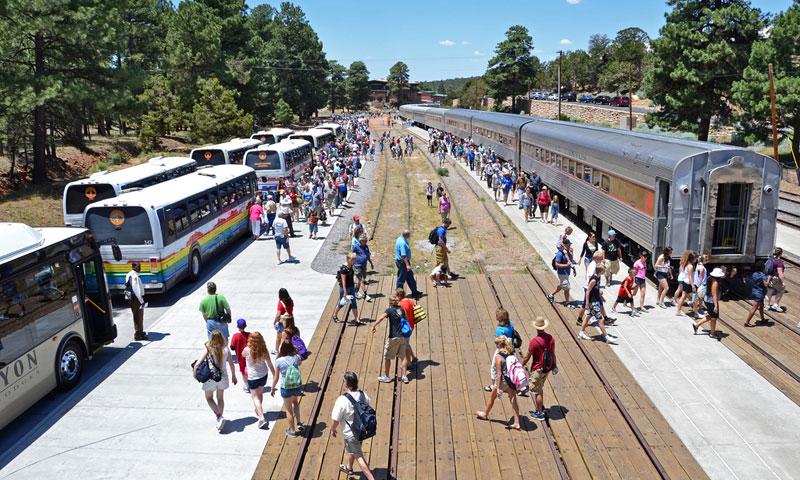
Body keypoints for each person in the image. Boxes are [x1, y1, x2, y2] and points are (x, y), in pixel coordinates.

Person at [331, 372, 376, 480]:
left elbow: (335, 419)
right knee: (355, 449)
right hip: (362, 429)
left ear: (347, 385)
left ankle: (371, 478)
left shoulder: (342, 400)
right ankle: (349, 467)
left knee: (358, 456)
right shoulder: (363, 395)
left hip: (350, 433)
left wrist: (333, 429)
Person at [193, 330, 238, 431]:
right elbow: (231, 364)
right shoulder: (226, 349)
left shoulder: (208, 348)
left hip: (211, 378)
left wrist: (195, 373)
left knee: (209, 398)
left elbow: (197, 364)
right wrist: (234, 376)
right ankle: (220, 419)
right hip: (223, 377)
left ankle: (219, 417)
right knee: (220, 398)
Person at [475, 335, 521, 430]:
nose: (495, 345)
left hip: (503, 380)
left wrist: (498, 386)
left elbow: (499, 374)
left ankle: (485, 414)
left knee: (492, 397)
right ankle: (517, 422)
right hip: (511, 379)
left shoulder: (498, 356)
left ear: (500, 344)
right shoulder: (510, 352)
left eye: (496, 343)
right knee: (513, 399)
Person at [522, 316, 556, 421]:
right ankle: (540, 407)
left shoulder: (534, 342)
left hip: (537, 369)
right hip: (547, 368)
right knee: (540, 386)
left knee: (538, 391)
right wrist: (555, 365)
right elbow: (553, 353)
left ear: (536, 327)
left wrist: (520, 364)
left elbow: (527, 356)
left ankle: (539, 413)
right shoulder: (551, 338)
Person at [372, 294, 410, 384]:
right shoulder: (402, 309)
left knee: (387, 357)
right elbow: (406, 320)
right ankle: (404, 376)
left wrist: (374, 325)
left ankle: (387, 376)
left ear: (390, 302)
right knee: (403, 356)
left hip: (393, 337)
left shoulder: (389, 310)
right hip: (403, 336)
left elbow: (381, 318)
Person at [242, 331, 275, 429]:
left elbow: (242, 355)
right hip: (263, 375)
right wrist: (274, 375)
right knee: (259, 394)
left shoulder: (247, 350)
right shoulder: (264, 349)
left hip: (253, 377)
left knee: (255, 398)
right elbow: (269, 364)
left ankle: (262, 419)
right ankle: (259, 410)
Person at [271, 341, 304, 437]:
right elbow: (300, 362)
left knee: (289, 410)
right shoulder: (296, 358)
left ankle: (292, 431)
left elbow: (276, 377)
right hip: (296, 386)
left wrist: (272, 388)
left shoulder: (279, 361)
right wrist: (296, 352)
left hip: (286, 388)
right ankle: (299, 423)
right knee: (296, 403)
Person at [579, 264, 614, 343]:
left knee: (588, 317)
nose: (604, 271)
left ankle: (581, 333)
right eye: (604, 270)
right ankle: (606, 337)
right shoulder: (594, 279)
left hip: (596, 300)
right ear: (600, 271)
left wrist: (600, 295)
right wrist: (587, 303)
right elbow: (587, 291)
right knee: (600, 320)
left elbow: (596, 289)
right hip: (593, 302)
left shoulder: (598, 277)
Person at [693, 267, 724, 339]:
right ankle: (712, 333)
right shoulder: (715, 283)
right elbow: (714, 295)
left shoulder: (709, 278)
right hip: (711, 302)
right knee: (714, 318)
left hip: (707, 300)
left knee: (711, 315)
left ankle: (696, 325)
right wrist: (716, 306)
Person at [395, 289, 419, 372]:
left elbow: (398, 317)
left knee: (405, 346)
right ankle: (414, 357)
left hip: (405, 328)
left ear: (399, 296)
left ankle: (408, 363)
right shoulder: (410, 300)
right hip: (411, 325)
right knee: (407, 343)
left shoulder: (400, 305)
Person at [333, 253, 360, 323]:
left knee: (354, 302)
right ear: (348, 259)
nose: (354, 261)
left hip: (351, 287)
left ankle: (356, 318)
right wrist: (345, 292)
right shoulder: (343, 269)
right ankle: (335, 315)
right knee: (342, 303)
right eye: (353, 260)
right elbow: (343, 282)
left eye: (354, 260)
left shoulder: (351, 266)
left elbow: (352, 276)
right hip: (345, 288)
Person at [395, 230, 421, 297]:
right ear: (406, 235)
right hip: (403, 263)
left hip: (404, 262)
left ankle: (415, 292)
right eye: (409, 235)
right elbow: (403, 255)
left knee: (410, 277)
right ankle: (399, 296)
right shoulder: (402, 243)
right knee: (401, 280)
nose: (410, 236)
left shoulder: (400, 238)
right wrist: (407, 265)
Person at [125, 263, 147, 341]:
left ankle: (139, 332)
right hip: (136, 299)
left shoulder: (129, 274)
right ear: (135, 268)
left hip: (131, 298)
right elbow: (136, 289)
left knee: (135, 315)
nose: (140, 268)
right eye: (139, 267)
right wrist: (141, 301)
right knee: (139, 316)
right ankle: (138, 334)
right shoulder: (135, 276)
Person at [744, 262, 769, 327]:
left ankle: (762, 319)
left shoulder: (754, 274)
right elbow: (766, 284)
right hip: (760, 293)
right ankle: (747, 322)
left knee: (761, 306)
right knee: (754, 308)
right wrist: (768, 278)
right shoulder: (763, 276)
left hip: (754, 291)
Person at [229, 319, 251, 392]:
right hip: (250, 357)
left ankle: (246, 385)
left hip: (241, 358)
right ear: (245, 326)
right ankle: (251, 383)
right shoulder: (250, 335)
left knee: (244, 372)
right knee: (250, 370)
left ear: (238, 327)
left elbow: (232, 347)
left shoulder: (235, 336)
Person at [675, 251, 696, 317]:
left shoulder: (686, 264)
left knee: (683, 297)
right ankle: (696, 313)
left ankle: (678, 311)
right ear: (692, 259)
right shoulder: (690, 266)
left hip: (685, 282)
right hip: (688, 284)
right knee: (694, 298)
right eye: (695, 258)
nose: (696, 260)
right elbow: (690, 276)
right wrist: (693, 286)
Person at [353, 235, 374, 301]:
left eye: (366, 241)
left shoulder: (366, 247)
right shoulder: (356, 246)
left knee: (361, 280)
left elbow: (368, 255)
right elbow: (352, 255)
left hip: (364, 265)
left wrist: (371, 263)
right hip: (357, 266)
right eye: (364, 241)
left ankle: (356, 292)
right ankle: (366, 295)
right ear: (360, 241)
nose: (365, 242)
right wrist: (351, 264)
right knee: (362, 280)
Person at [765, 247, 786, 312]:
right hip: (776, 278)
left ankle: (767, 306)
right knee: (781, 290)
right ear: (781, 254)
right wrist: (783, 282)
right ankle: (775, 305)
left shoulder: (770, 259)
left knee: (769, 291)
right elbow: (780, 273)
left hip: (769, 277)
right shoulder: (779, 262)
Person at [273, 288, 294, 354]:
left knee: (279, 336)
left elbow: (278, 315)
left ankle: (277, 350)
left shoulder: (281, 303)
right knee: (289, 335)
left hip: (283, 321)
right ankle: (290, 349)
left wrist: (275, 322)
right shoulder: (290, 300)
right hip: (290, 319)